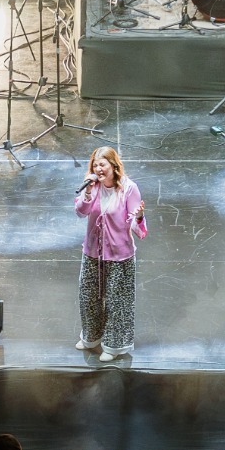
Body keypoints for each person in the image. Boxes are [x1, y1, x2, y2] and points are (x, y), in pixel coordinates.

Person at [74, 146, 149, 361]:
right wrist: (87, 192)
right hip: (92, 252)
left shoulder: (129, 189)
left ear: (113, 166)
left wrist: (140, 217)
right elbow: (80, 212)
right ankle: (91, 337)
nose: (98, 169)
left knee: (118, 302)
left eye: (102, 164)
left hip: (119, 256)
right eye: (95, 165)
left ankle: (114, 346)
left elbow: (136, 226)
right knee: (88, 296)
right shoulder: (93, 187)